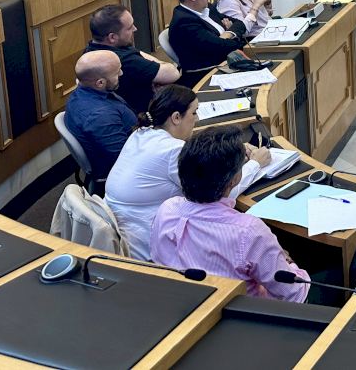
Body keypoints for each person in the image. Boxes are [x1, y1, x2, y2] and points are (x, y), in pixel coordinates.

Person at [105, 85, 268, 260]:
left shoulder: (140, 133)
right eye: (194, 113)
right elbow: (216, 194)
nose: (197, 119)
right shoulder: (173, 150)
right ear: (176, 117)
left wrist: (231, 152)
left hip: (124, 233)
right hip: (147, 247)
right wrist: (255, 164)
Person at [151, 126, 307, 301]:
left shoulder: (167, 209)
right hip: (237, 313)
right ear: (234, 179)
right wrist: (288, 263)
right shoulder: (249, 231)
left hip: (179, 304)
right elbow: (294, 295)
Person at [85, 4, 181, 116]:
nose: (135, 29)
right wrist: (157, 64)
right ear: (112, 37)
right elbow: (173, 73)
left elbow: (136, 53)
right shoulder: (126, 61)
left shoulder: (92, 49)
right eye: (129, 27)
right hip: (143, 117)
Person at [62, 51, 138, 182]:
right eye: (117, 72)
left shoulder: (84, 91)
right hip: (127, 174)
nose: (121, 73)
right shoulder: (100, 117)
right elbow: (127, 159)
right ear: (100, 83)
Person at [168, 0, 240, 77]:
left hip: (227, 62)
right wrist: (234, 37)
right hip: (207, 74)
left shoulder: (207, 8)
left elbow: (239, 23)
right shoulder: (184, 22)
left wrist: (227, 34)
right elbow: (220, 47)